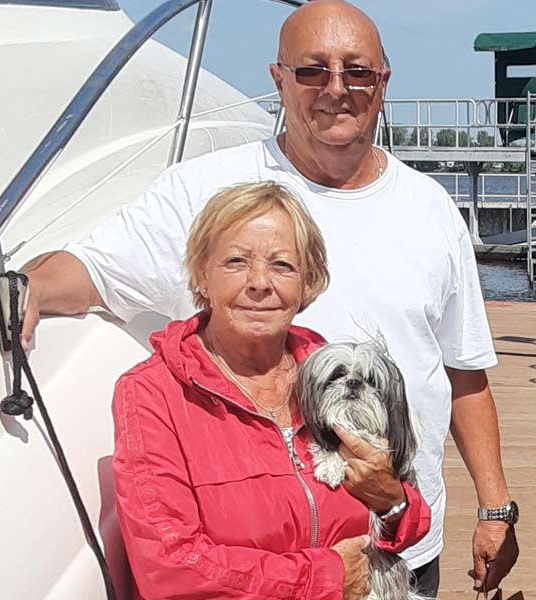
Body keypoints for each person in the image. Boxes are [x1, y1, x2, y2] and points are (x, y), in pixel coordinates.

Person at [0, 0, 518, 594]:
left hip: (400, 548)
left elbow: (462, 373)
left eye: (357, 72)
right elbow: (92, 267)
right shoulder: (203, 189)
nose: (336, 89)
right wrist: (26, 285)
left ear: (383, 81)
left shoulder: (431, 209)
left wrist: (494, 507)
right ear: (278, 78)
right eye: (312, 71)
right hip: (273, 570)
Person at [113, 181, 430, 598]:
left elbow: (406, 513)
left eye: (282, 265)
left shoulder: (331, 373)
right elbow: (170, 566)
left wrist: (392, 501)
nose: (259, 282)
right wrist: (326, 579)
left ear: (307, 284)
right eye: (236, 261)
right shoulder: (153, 394)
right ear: (201, 276)